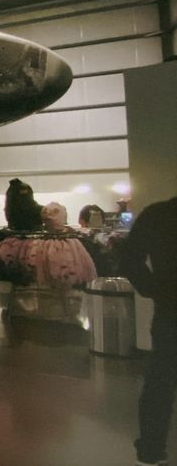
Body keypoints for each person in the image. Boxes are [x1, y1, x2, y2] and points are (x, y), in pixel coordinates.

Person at [121, 196, 177, 466]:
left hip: (170, 311)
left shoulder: (159, 213)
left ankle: (151, 451)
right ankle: (151, 450)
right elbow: (130, 258)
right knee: (161, 382)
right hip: (171, 311)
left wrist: (155, 289)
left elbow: (129, 257)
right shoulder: (160, 213)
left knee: (161, 382)